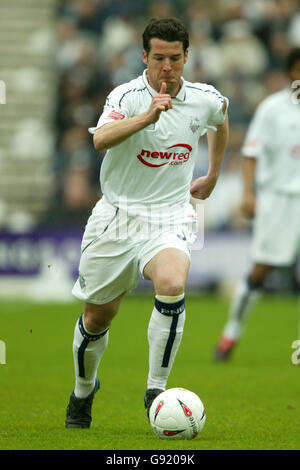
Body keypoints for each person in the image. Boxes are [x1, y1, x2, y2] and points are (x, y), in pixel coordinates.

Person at [65, 17, 229, 428]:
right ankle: (83, 390)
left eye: (175, 58)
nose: (167, 67)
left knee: (172, 284)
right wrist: (147, 118)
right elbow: (100, 139)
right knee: (97, 318)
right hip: (117, 217)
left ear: (187, 56)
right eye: (159, 58)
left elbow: (221, 119)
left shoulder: (205, 98)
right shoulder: (127, 95)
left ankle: (156, 388)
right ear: (144, 56)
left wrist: (212, 174)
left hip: (169, 215)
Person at [215, 47, 300, 361]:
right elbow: (251, 155)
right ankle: (231, 333)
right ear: (290, 72)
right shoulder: (272, 109)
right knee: (261, 270)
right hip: (279, 198)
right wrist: (249, 194)